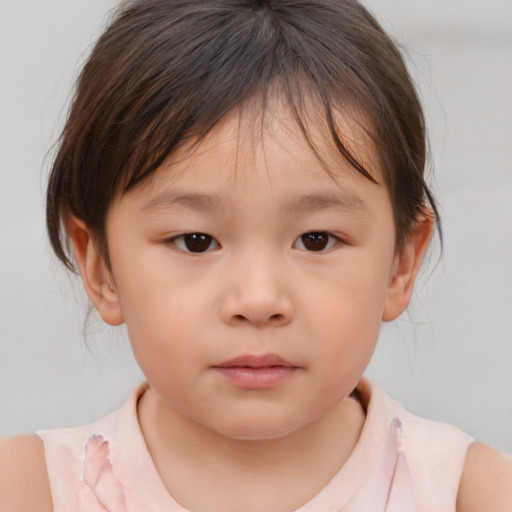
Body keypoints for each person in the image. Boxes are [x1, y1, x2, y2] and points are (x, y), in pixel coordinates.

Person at [1, 0, 511, 510]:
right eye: (195, 241)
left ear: (401, 262)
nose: (259, 299)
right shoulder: (30, 489)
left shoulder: (469, 493)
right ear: (100, 265)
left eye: (316, 239)